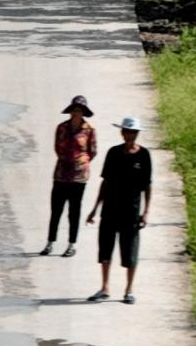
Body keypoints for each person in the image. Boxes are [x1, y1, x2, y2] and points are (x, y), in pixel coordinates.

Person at [91, 115, 155, 305]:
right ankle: (105, 287)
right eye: (127, 132)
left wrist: (146, 211)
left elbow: (147, 185)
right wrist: (95, 209)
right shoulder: (113, 153)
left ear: (137, 134)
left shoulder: (144, 155)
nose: (130, 135)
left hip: (131, 211)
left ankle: (129, 290)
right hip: (110, 208)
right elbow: (105, 182)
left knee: (130, 252)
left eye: (133, 132)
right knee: (105, 249)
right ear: (122, 132)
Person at [40, 96, 95, 257]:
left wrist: (80, 162)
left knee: (74, 211)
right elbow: (57, 147)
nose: (76, 113)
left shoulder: (89, 130)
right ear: (70, 111)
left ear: (83, 112)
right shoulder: (62, 128)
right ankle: (50, 243)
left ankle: (72, 244)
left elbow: (92, 151)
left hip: (79, 178)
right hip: (61, 175)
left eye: (80, 110)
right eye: (74, 110)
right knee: (56, 210)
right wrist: (67, 160)